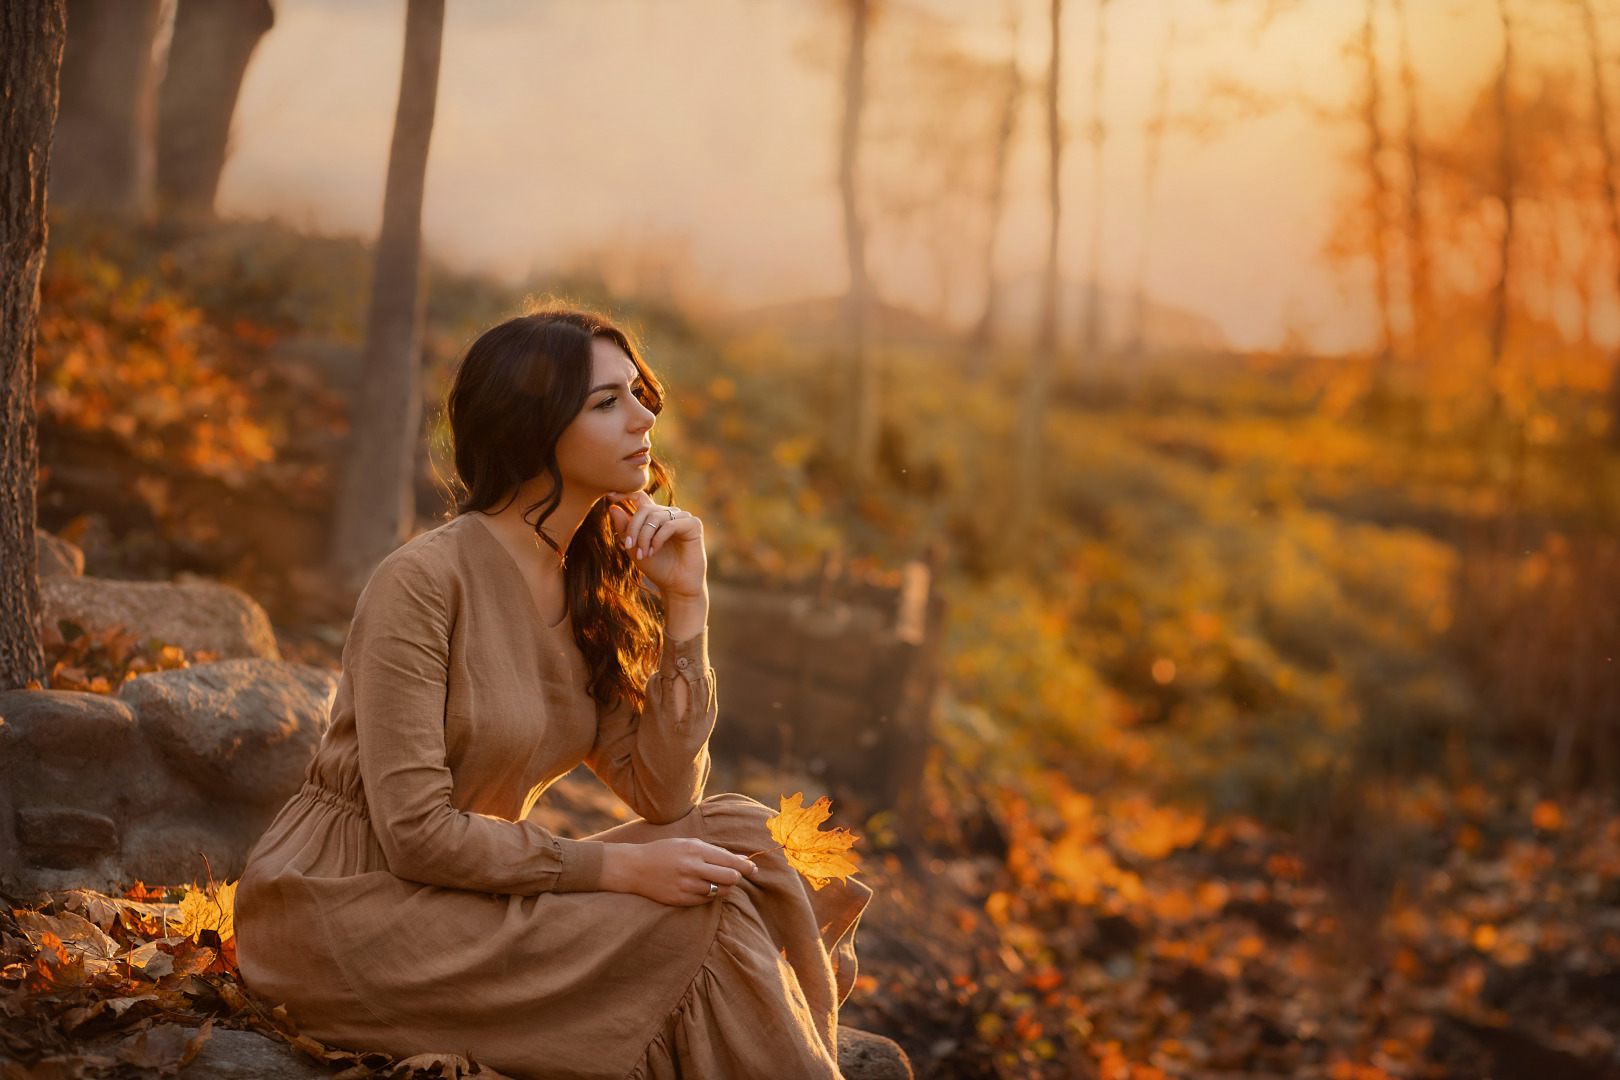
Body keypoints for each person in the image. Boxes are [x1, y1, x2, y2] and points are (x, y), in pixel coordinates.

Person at [233, 306, 871, 1079]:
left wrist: (687, 608)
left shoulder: (584, 589)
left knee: (739, 835)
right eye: (608, 402)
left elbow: (666, 796)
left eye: (640, 394)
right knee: (689, 920)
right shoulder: (423, 581)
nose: (644, 416)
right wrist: (617, 872)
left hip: (473, 894)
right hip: (351, 909)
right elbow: (416, 836)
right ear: (532, 431)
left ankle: (782, 1026)